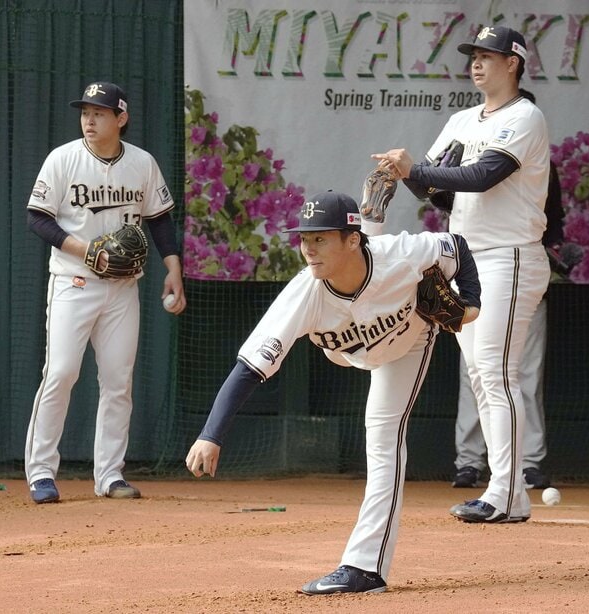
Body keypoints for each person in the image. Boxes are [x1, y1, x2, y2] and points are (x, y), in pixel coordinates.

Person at [185, 190, 481, 594]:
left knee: (382, 439)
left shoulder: (405, 254)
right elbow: (249, 369)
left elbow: (458, 248)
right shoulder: (304, 292)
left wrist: (471, 307)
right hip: (345, 351)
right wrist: (210, 434)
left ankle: (365, 568)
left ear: (351, 239)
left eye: (320, 238)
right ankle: (369, 210)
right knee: (344, 332)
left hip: (406, 342)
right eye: (304, 239)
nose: (308, 248)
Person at [372, 25, 551, 523]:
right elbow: (441, 193)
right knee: (481, 375)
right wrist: (405, 176)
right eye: (473, 54)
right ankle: (508, 493)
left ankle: (506, 491)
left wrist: (417, 171)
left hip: (510, 255)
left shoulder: (525, 117)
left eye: (487, 55)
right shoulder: (461, 119)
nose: (476, 62)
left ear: (512, 62)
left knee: (495, 372)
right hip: (467, 258)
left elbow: (482, 175)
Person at [25, 81, 186, 504]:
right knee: (60, 374)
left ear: (121, 118)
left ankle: (110, 475)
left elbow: (160, 220)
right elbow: (38, 219)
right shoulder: (63, 159)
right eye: (85, 112)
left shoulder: (142, 163)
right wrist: (87, 250)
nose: (89, 119)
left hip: (122, 290)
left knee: (118, 382)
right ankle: (42, 473)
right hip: (73, 283)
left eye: (99, 112)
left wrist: (173, 267)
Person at [452, 90, 564, 490]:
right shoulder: (470, 142)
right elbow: (450, 194)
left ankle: (521, 471)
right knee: (481, 372)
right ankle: (473, 463)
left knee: (509, 373)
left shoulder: (533, 152)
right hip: (475, 266)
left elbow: (554, 226)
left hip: (517, 270)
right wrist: (420, 177)